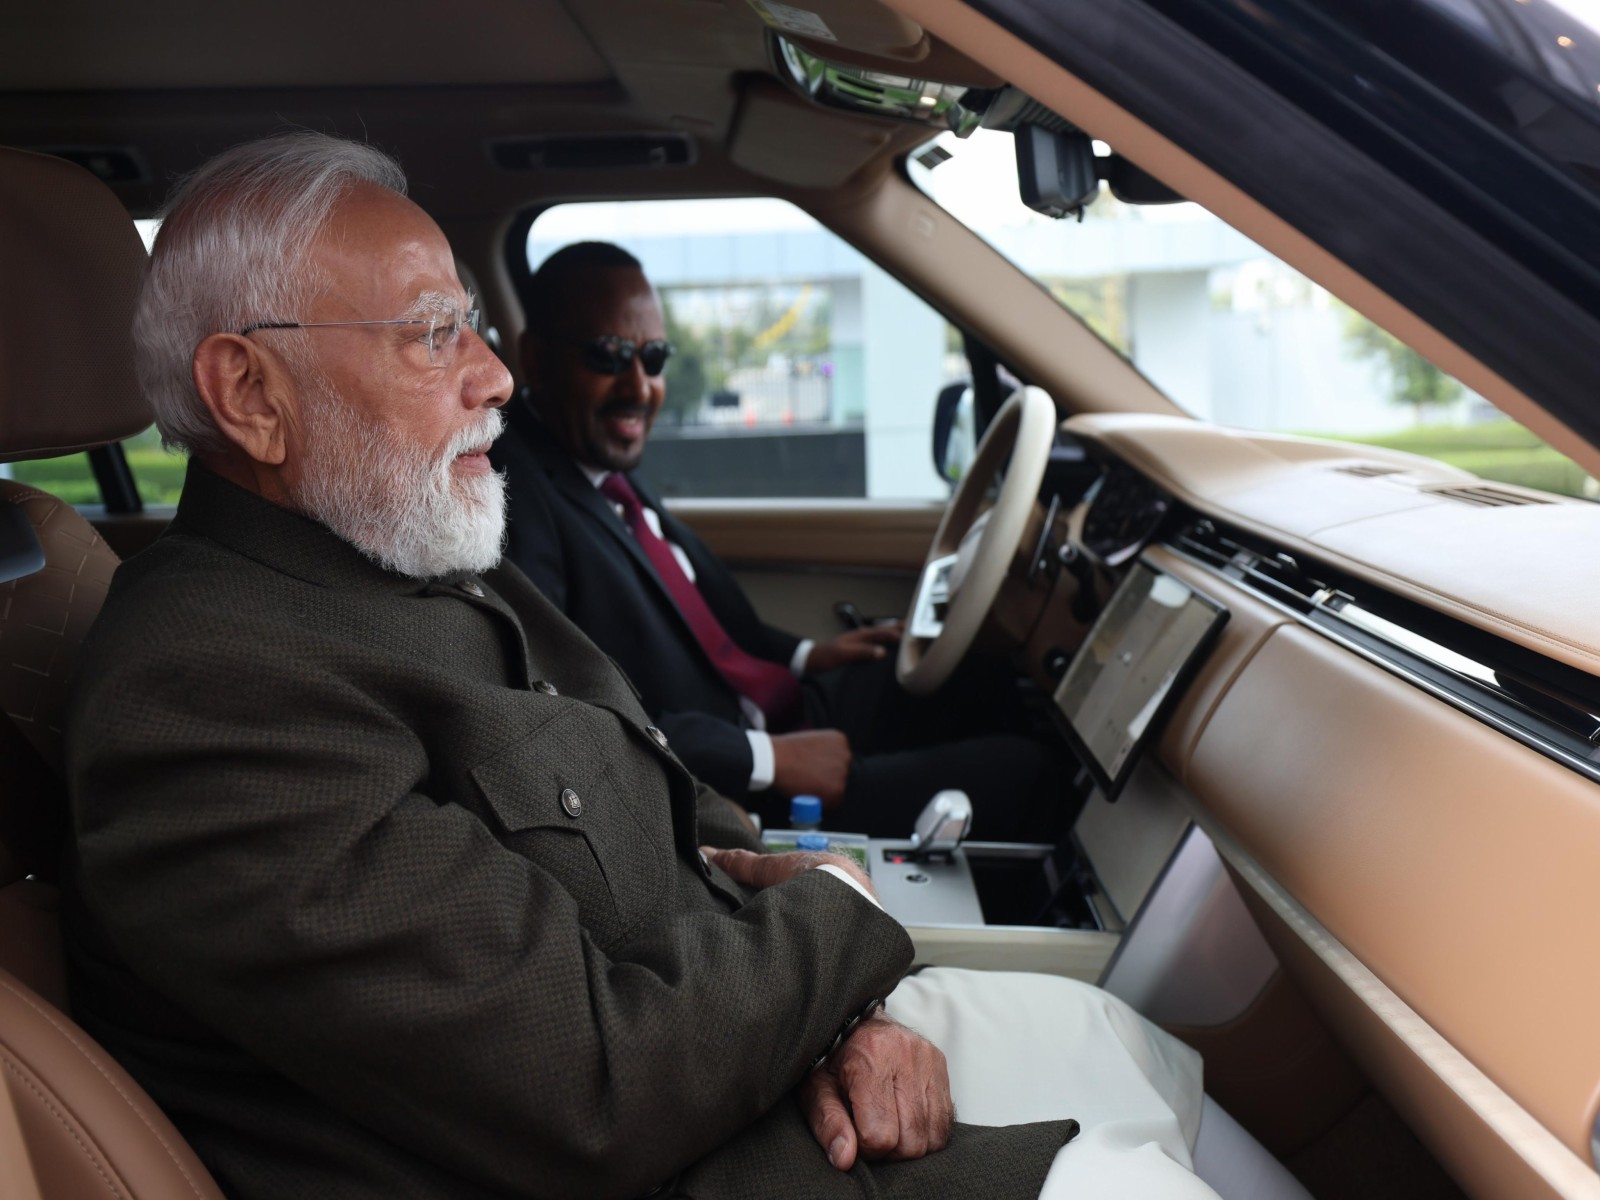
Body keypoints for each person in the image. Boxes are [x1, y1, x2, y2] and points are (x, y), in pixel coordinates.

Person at [63, 133, 1229, 1200]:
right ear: (250, 394)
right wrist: (832, 926)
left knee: (1141, 1054)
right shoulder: (211, 694)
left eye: (471, 325)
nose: (494, 378)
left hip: (756, 1042)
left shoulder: (400, 551)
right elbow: (597, 1090)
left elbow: (666, 783)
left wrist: (831, 1007)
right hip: (724, 1157)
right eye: (433, 334)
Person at [492, 242, 1065, 839]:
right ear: (536, 358)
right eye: (609, 356)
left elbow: (701, 622)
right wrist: (770, 761)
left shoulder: (599, 468)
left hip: (773, 712)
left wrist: (806, 656)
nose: (640, 386)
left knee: (981, 678)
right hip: (723, 785)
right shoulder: (518, 496)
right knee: (1031, 776)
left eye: (654, 356)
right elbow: (566, 709)